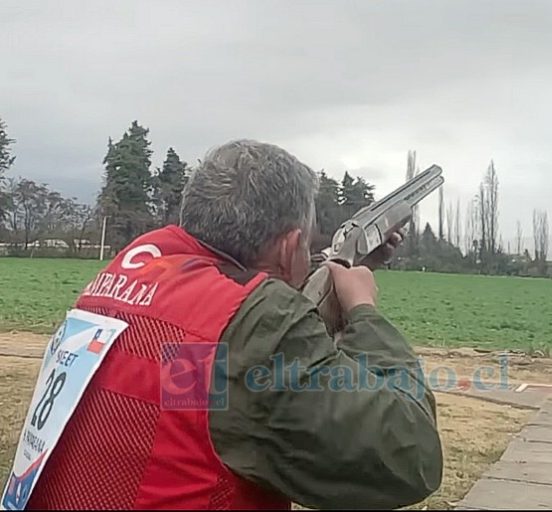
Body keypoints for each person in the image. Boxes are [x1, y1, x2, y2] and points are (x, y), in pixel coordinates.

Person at [25, 140, 443, 510]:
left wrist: (349, 268)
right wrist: (363, 310)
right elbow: (410, 456)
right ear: (291, 246)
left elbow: (209, 384)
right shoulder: (251, 331)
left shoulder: (132, 273)